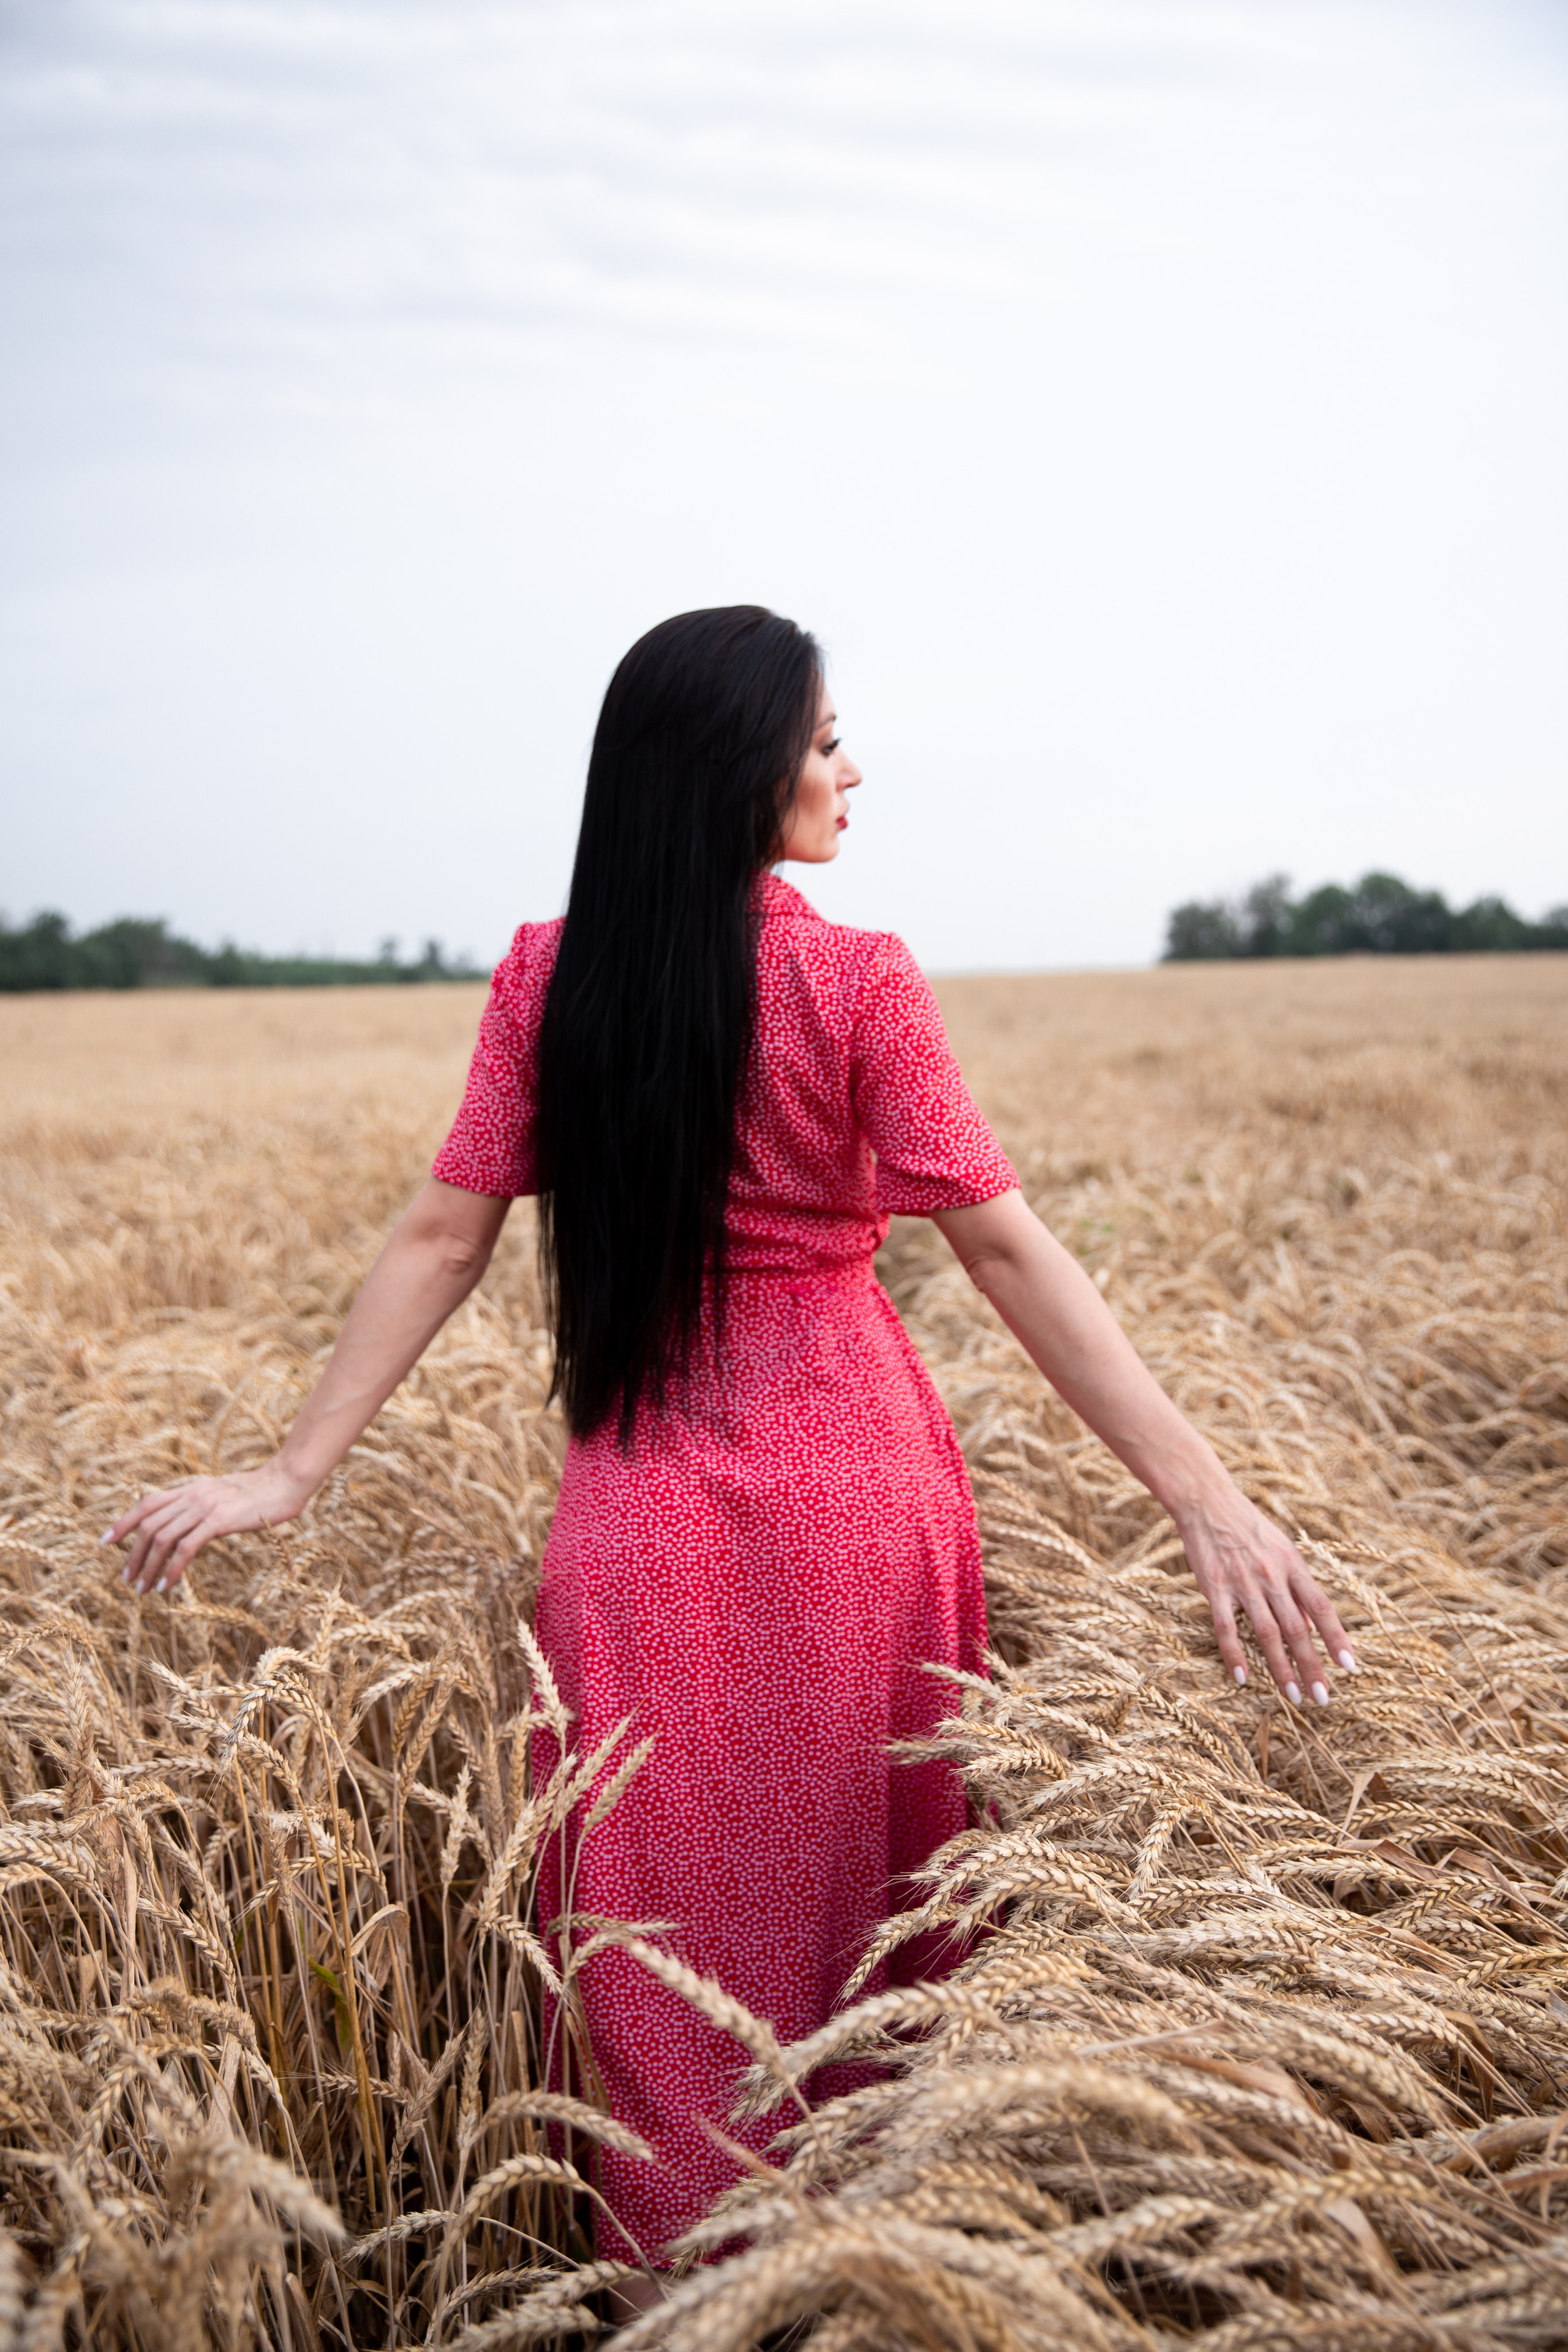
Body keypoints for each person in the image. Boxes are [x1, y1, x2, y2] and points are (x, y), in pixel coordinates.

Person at [105, 606, 1356, 2288]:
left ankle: (675, 2288)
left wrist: (291, 1469)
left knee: (646, 1910)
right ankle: (888, 2275)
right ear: (735, 762)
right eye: (825, 735)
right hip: (862, 1499)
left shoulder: (556, 975)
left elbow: (440, 1238)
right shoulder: (856, 979)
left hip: (642, 1514)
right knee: (870, 1903)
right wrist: (1212, 1504)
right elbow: (1004, 1248)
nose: (850, 766)